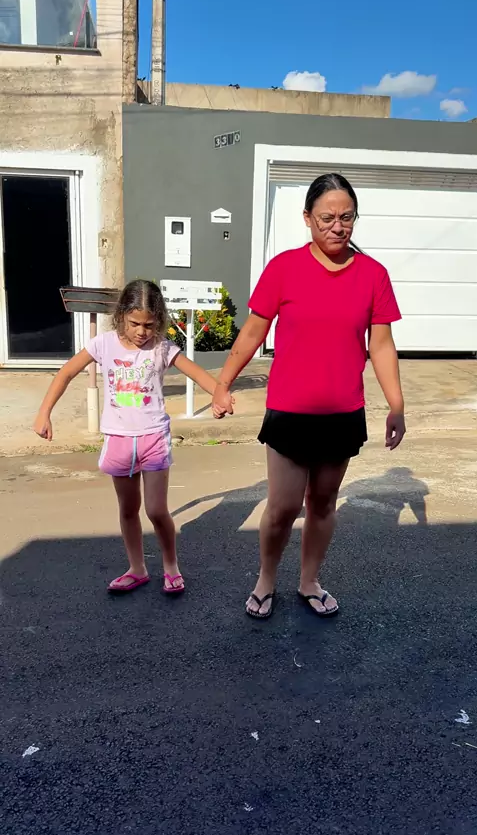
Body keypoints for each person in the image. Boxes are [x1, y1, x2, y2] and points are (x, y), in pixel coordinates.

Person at [212, 173, 406, 620]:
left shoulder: (373, 275)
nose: (338, 227)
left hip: (343, 412)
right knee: (282, 506)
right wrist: (223, 382)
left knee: (322, 503)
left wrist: (396, 405)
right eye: (327, 218)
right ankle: (266, 579)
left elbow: (381, 345)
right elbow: (254, 330)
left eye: (347, 217)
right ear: (307, 218)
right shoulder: (284, 268)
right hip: (289, 410)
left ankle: (309, 580)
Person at [34, 279, 224, 594]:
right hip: (119, 439)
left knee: (156, 510)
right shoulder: (103, 344)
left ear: (158, 321)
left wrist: (219, 395)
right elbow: (66, 372)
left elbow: (198, 373)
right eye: (135, 323)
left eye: (149, 325)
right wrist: (44, 412)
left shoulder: (162, 348)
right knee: (128, 509)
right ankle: (137, 568)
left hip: (153, 438)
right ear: (121, 314)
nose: (141, 331)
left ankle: (171, 566)